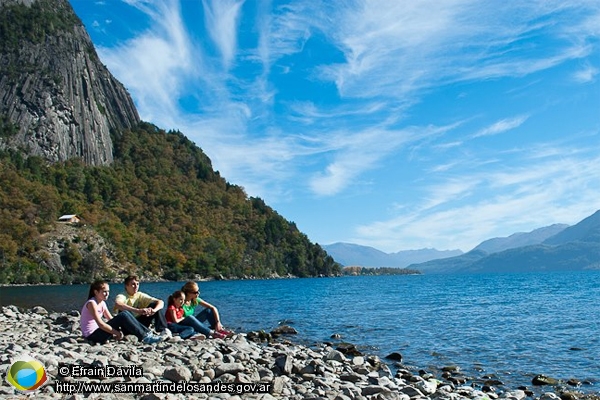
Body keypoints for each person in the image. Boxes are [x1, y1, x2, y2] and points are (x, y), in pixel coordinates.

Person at [80, 280, 165, 344]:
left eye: (108, 291)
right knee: (123, 314)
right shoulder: (92, 303)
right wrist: (117, 332)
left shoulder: (102, 303)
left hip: (99, 332)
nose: (107, 294)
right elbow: (101, 324)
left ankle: (147, 333)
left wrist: (124, 326)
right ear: (96, 292)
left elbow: (110, 318)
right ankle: (146, 337)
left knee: (124, 314)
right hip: (92, 336)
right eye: (104, 292)